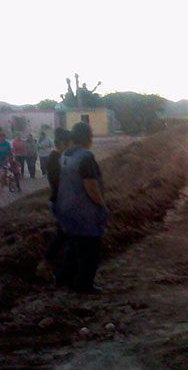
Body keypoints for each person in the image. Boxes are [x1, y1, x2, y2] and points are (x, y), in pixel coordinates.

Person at [56, 122, 107, 293]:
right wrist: (102, 205)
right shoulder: (86, 157)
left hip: (66, 207)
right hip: (84, 211)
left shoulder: (65, 155)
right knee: (90, 249)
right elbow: (90, 185)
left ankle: (64, 278)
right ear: (88, 137)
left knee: (73, 245)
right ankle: (84, 284)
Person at [36, 128, 73, 281]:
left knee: (65, 235)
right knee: (64, 235)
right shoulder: (56, 159)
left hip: (61, 201)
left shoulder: (58, 157)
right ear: (63, 143)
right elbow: (60, 184)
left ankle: (56, 268)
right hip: (61, 202)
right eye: (69, 143)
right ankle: (48, 266)